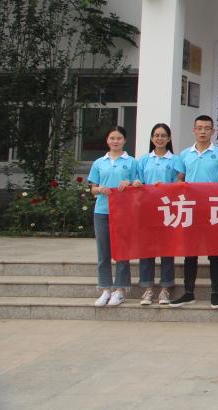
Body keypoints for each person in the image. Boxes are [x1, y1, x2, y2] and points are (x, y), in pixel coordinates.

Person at [169, 115, 218, 308]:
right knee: (190, 253)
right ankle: (189, 293)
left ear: (213, 131)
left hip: (212, 209)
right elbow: (179, 180)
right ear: (194, 130)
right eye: (199, 128)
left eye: (207, 128)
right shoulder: (184, 154)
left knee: (214, 253)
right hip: (191, 209)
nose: (203, 131)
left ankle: (215, 293)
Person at [88, 125, 138, 307]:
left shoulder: (131, 162)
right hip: (102, 210)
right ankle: (105, 289)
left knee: (122, 251)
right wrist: (98, 189)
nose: (115, 141)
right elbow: (92, 188)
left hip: (123, 212)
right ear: (107, 140)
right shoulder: (99, 162)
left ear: (124, 140)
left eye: (119, 138)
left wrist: (129, 183)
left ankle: (120, 289)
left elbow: (138, 183)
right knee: (103, 252)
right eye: (112, 138)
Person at [134, 123, 178, 305]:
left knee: (167, 250)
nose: (160, 139)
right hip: (147, 210)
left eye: (163, 135)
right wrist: (137, 183)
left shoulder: (175, 160)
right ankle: (148, 288)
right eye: (156, 135)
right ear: (152, 139)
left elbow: (179, 184)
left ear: (169, 139)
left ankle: (166, 288)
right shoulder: (143, 160)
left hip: (167, 210)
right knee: (147, 249)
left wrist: (166, 187)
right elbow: (137, 180)